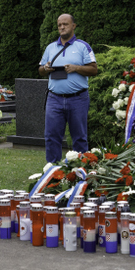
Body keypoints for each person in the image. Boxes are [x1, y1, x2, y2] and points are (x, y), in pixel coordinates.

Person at [38, 14, 98, 164]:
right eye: (59, 25)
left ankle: (80, 170)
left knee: (79, 137)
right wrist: (45, 68)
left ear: (73, 26)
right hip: (54, 99)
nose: (62, 27)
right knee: (51, 136)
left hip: (78, 99)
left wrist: (76, 68)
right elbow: (40, 70)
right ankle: (52, 170)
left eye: (65, 24)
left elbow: (94, 69)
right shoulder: (50, 47)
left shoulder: (83, 46)